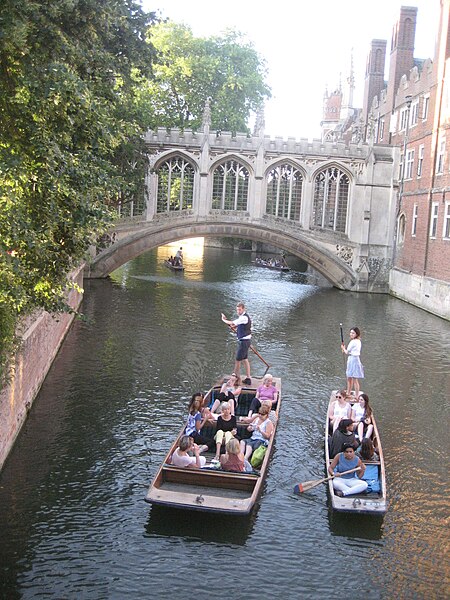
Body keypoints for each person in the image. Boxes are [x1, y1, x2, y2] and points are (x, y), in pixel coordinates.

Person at [221, 302, 252, 385]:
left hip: (244, 342)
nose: (238, 311)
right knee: (245, 359)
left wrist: (224, 320)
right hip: (245, 341)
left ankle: (235, 378)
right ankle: (248, 378)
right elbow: (238, 325)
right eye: (237, 310)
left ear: (243, 309)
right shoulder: (242, 318)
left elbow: (232, 322)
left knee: (238, 360)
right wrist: (234, 327)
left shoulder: (244, 318)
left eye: (239, 310)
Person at [341, 327, 364, 397]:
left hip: (352, 360)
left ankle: (351, 393)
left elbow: (347, 352)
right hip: (356, 359)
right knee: (352, 378)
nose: (351, 334)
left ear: (356, 334)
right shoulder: (358, 341)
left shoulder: (353, 342)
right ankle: (351, 393)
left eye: (353, 333)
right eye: (350, 332)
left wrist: (343, 348)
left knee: (352, 378)